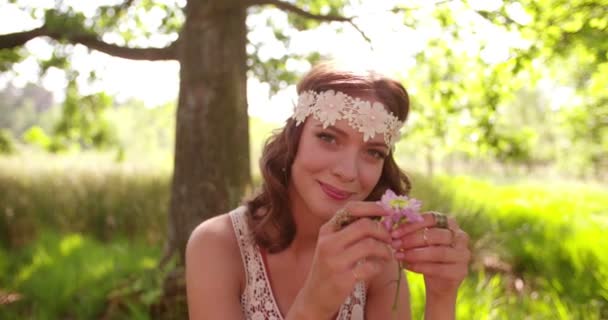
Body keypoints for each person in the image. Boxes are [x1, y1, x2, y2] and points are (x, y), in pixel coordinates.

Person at [185, 61, 471, 319]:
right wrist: (315, 304)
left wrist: (442, 298)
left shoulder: (377, 257)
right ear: (293, 140)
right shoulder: (217, 245)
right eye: (328, 138)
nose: (348, 172)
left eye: (373, 152)